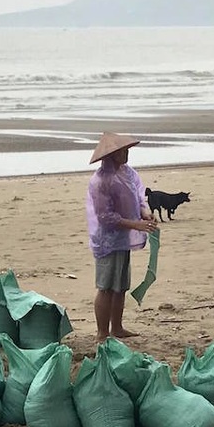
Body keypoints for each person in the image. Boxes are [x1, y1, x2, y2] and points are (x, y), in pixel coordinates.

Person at [85, 132, 158, 344]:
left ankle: (117, 327)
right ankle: (102, 333)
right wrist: (136, 224)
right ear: (111, 155)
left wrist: (144, 213)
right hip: (107, 241)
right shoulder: (101, 181)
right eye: (121, 152)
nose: (126, 155)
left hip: (123, 238)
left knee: (121, 285)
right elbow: (105, 217)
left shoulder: (128, 173)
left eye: (126, 151)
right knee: (106, 286)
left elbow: (138, 196)